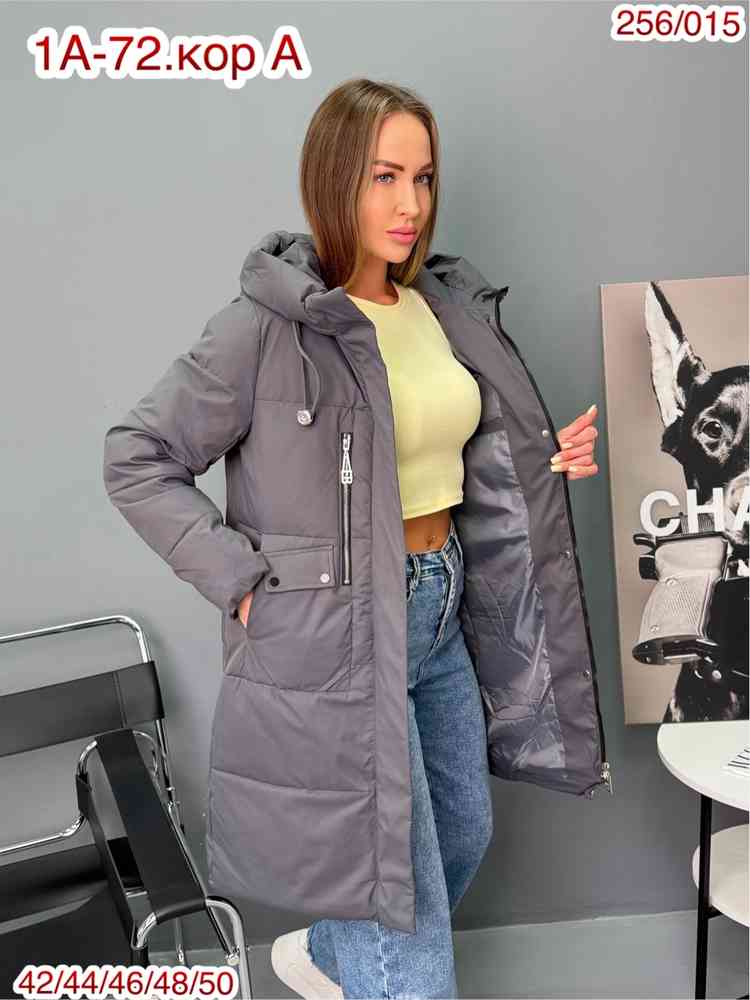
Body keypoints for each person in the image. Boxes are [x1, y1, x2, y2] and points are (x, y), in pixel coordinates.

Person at [103, 77, 604, 1000]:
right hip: (337, 632)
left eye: (423, 177)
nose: (410, 203)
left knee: (461, 833)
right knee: (399, 905)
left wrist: (538, 465)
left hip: (441, 605)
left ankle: (329, 960)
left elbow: (440, 448)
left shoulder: (440, 307)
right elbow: (137, 456)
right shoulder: (268, 328)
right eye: (384, 176)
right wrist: (243, 581)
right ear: (335, 180)